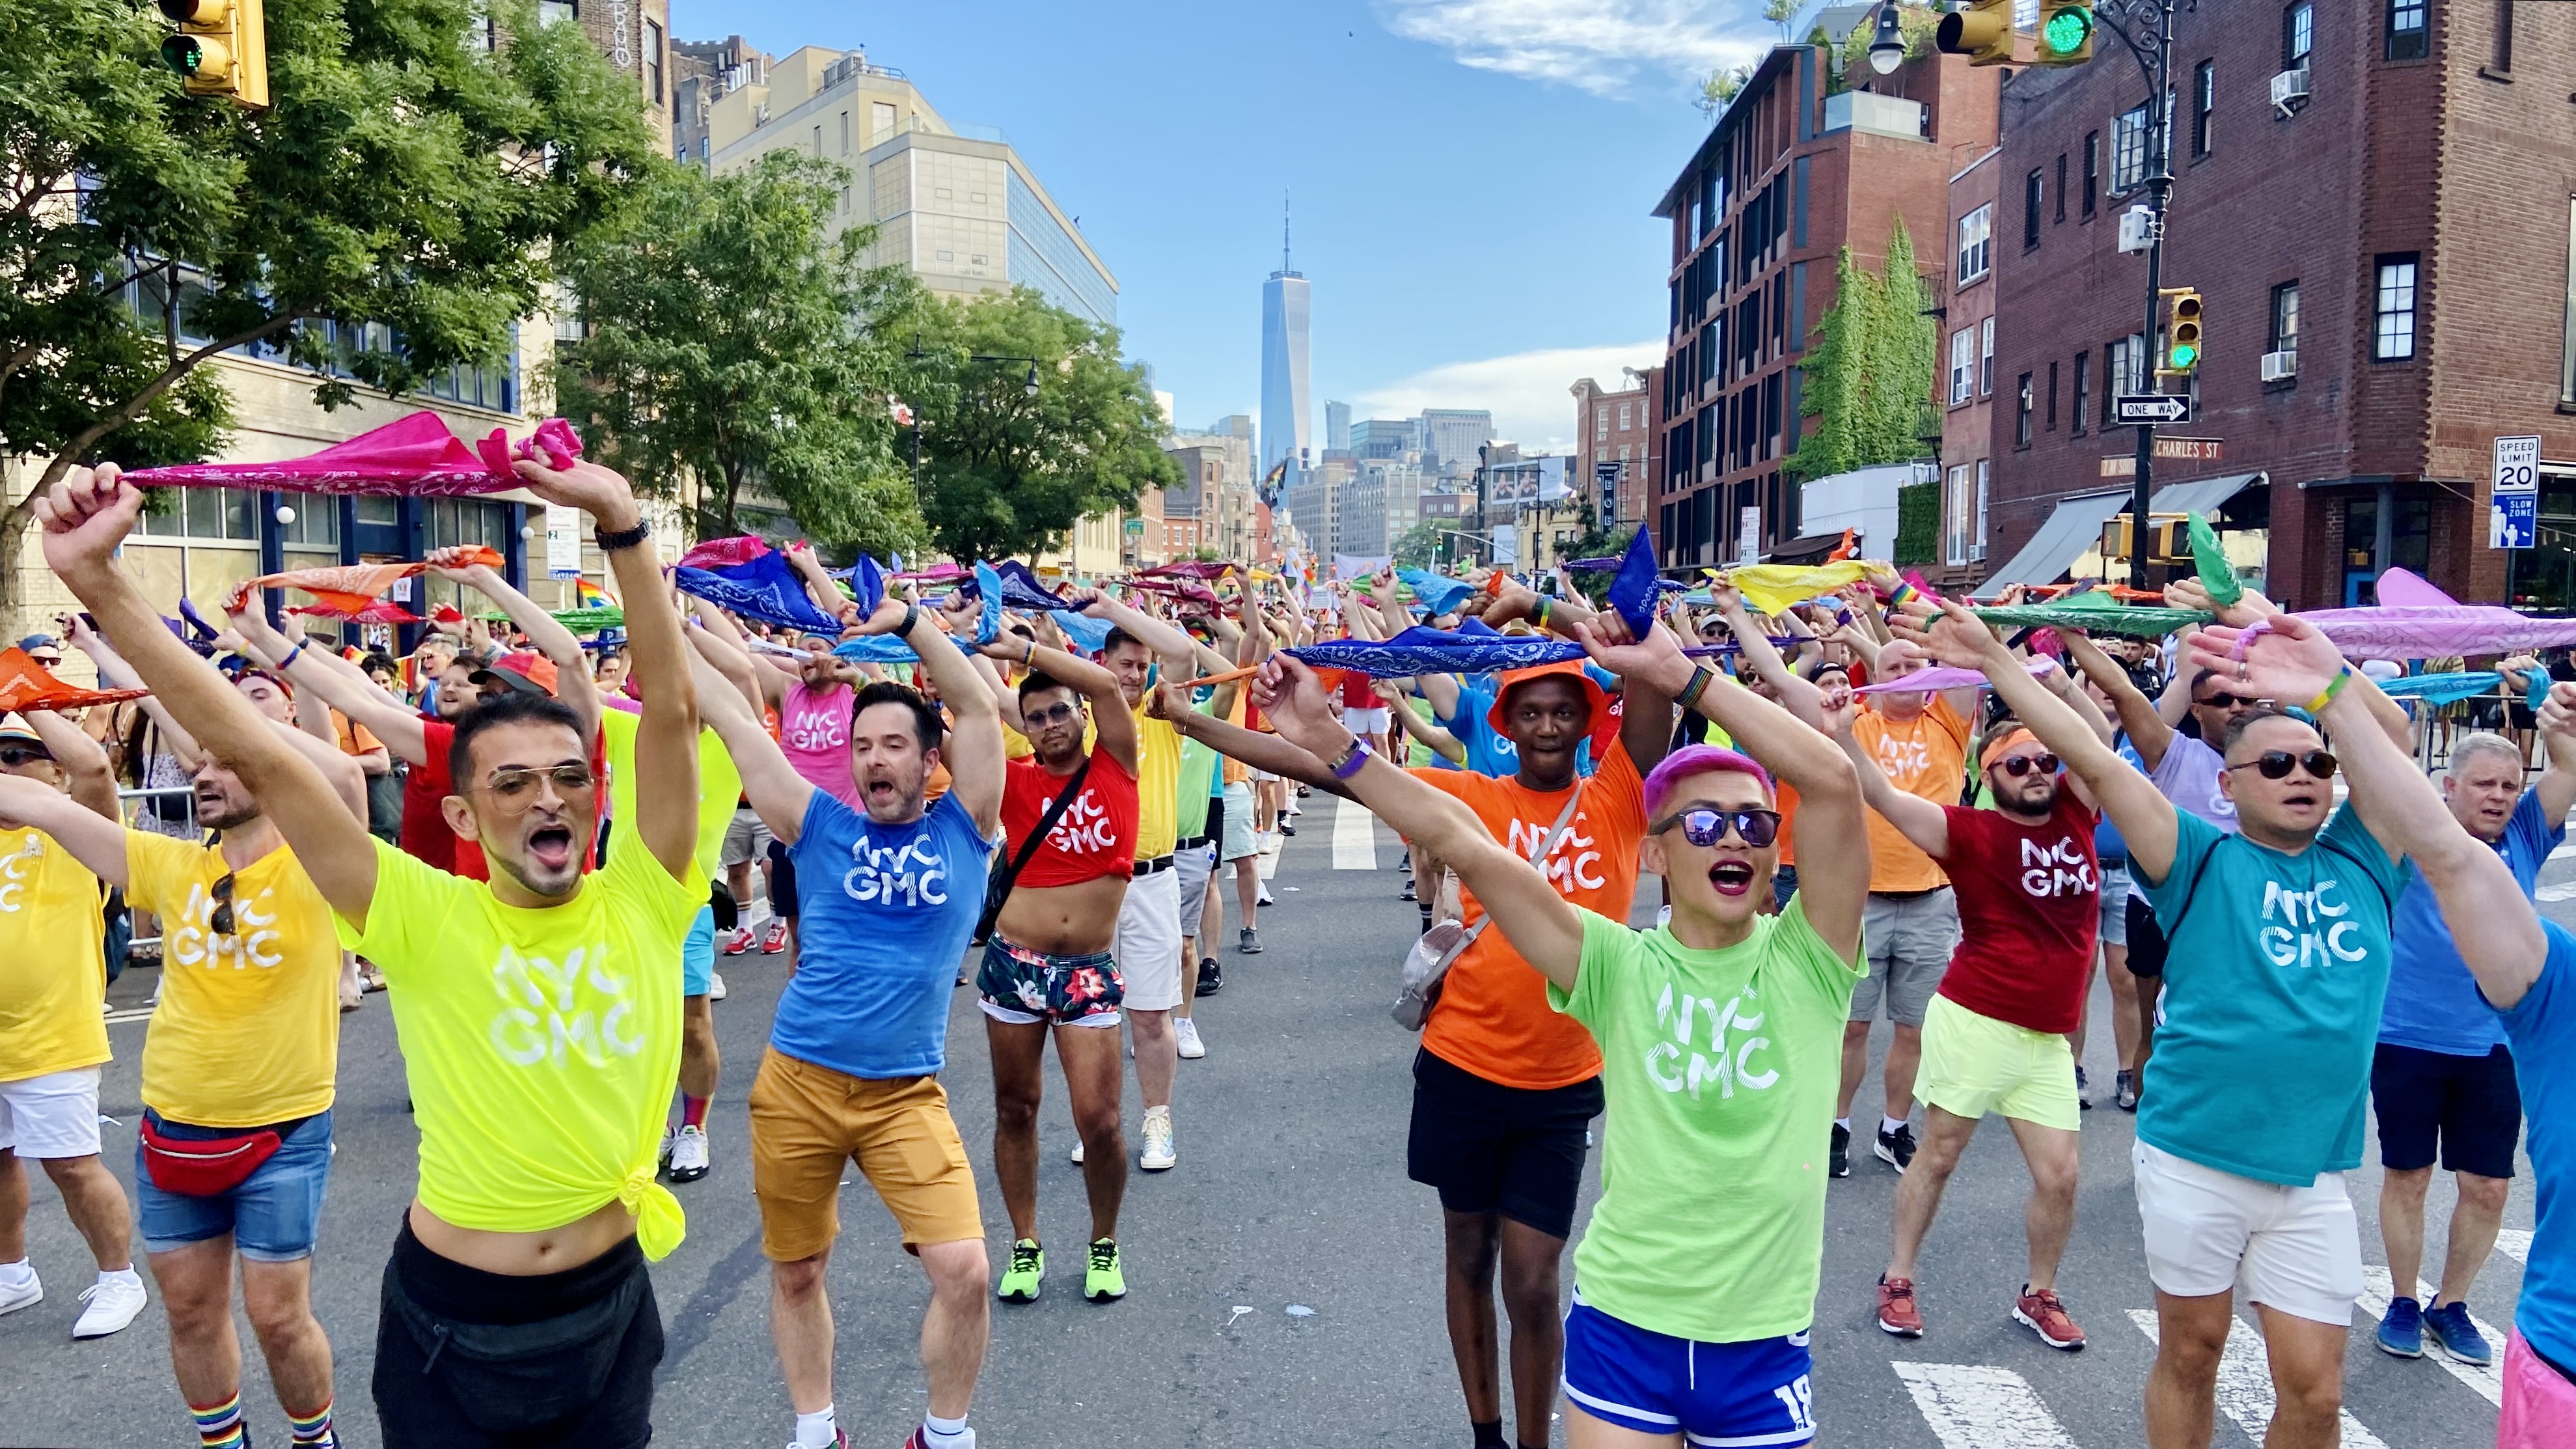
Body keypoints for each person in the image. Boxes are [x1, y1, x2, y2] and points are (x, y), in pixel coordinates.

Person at [38, 452, 706, 1448]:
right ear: (464, 819)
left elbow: (677, 717)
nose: (548, 796)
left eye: (569, 775)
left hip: (610, 1305)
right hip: (452, 1321)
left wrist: (621, 519)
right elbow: (260, 751)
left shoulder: (646, 898)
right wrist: (100, 584)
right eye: (512, 783)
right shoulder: (420, 913)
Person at [1250, 613, 1866, 1449]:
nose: (1732, 836)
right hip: (1623, 1331)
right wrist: (1329, 736)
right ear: (1654, 856)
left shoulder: (1813, 965)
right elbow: (1460, 842)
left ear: (1772, 857)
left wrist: (1682, 674)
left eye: (1755, 824)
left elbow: (1831, 781)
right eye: (1701, 822)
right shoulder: (1612, 965)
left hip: (1759, 1347)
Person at [1903, 594, 2413, 1449]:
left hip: (2312, 1172)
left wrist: (2324, 676)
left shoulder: (2366, 855)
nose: (2300, 776)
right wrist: (1996, 663)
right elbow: (2092, 763)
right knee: (2192, 1351)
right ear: (2227, 784)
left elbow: (2389, 741)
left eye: (2315, 766)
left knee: (2317, 1392)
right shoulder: (2197, 853)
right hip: (2194, 1155)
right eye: (2276, 765)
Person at [1170, 628, 1675, 1449]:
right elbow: (1312, 765)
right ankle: (1486, 1435)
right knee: (1469, 1259)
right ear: (1505, 724)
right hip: (1463, 1068)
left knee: (1536, 1282)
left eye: (1563, 713)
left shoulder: (1619, 792)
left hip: (1565, 1081)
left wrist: (1633, 639)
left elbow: (1652, 707)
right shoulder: (1469, 796)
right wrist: (1186, 721)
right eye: (1531, 714)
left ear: (1587, 723)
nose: (1548, 728)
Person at [2, 691, 366, 1448]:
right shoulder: (165, 864)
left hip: (284, 1132)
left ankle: (313, 1438)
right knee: (191, 1311)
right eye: (198, 763)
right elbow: (48, 809)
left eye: (228, 763)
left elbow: (345, 782)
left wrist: (236, 719)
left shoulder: (321, 867)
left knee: (277, 1315)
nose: (205, 774)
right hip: (174, 1132)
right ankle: (223, 1442)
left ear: (271, 769)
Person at [701, 596, 1002, 1449]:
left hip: (904, 1093)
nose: (872, 759)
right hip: (796, 1079)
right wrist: (657, 610)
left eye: (892, 744)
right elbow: (730, 713)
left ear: (927, 758)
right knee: (797, 1269)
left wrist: (906, 623)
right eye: (860, 744)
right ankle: (816, 1427)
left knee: (966, 1271)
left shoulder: (965, 825)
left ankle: (941, 1436)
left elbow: (979, 704)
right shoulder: (819, 823)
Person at [1832, 690, 2100, 1348]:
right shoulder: (1969, 832)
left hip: (2046, 1037)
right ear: (1989, 776)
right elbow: (1883, 796)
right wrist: (1841, 731)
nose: (2036, 771)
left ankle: (2040, 1295)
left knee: (2060, 1176)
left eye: (2044, 761)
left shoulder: (2075, 813)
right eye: (2017, 765)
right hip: (1977, 1019)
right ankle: (1897, 1278)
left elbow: (2094, 738)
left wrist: (2054, 675)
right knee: (1941, 1156)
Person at [2370, 727, 2572, 1366]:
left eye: (2510, 785)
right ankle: (2402, 1300)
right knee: (2408, 1175)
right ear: (2447, 786)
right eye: (2483, 783)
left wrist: (2554, 714)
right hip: (2406, 1034)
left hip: (2495, 1044)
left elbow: (2567, 766)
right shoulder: (2413, 841)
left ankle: (2449, 1305)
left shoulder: (2525, 835)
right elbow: (2384, 775)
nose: (2499, 796)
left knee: (2486, 1186)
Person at [975, 632, 1141, 1304]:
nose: (1050, 725)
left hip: (1088, 974)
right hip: (1014, 966)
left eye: (1060, 712)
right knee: (1016, 1110)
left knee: (1098, 1120)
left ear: (1082, 714)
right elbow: (972, 706)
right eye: (1036, 716)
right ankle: (1025, 1243)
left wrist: (1026, 649)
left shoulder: (1117, 766)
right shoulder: (1015, 782)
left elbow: (1106, 686)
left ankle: (1103, 1243)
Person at [0, 710, 146, 1342]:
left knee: (71, 1166)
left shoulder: (73, 832)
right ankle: (12, 1271)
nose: (3, 768)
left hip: (51, 1036)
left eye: (16, 754)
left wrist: (30, 698)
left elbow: (91, 766)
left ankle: (119, 1277)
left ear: (50, 770)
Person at [1837, 637, 1980, 1176]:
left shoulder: (1949, 720)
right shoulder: (1859, 726)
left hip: (1930, 900)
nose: (1904, 673)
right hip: (1865, 898)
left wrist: (1941, 626)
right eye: (1892, 667)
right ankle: (1838, 1123)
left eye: (1914, 665)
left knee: (1913, 1029)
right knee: (1852, 1027)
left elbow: (1968, 661)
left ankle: (1893, 1127)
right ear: (1874, 678)